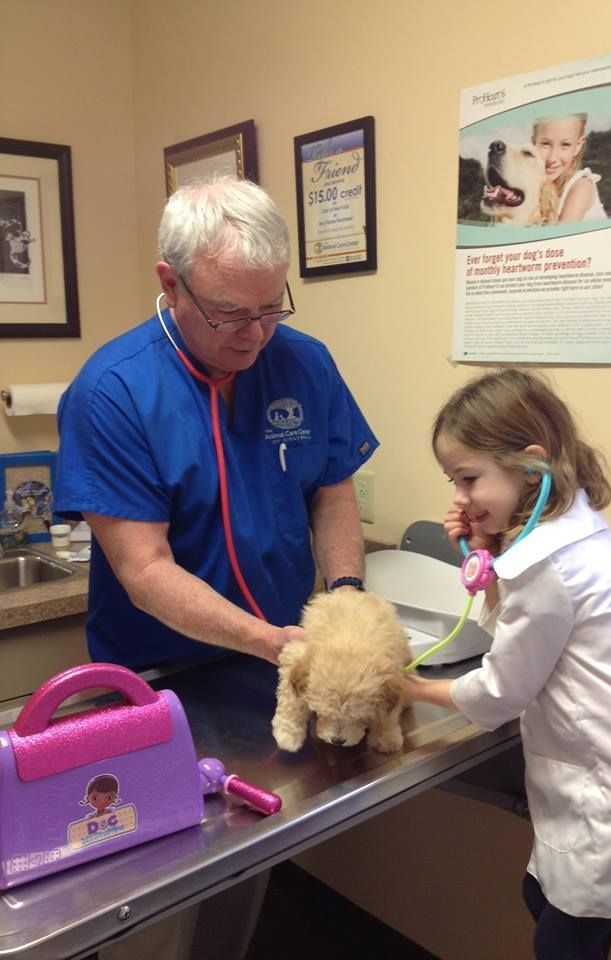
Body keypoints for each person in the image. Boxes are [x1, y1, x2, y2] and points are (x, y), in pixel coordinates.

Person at [54, 176, 378, 960]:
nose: (257, 334)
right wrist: (278, 643)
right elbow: (144, 569)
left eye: (273, 307)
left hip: (268, 671)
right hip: (156, 682)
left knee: (252, 860)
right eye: (233, 313)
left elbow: (333, 493)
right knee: (153, 895)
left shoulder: (305, 363)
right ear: (171, 283)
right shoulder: (113, 391)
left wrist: (346, 602)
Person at [402, 369, 611, 960]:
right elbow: (526, 629)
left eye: (469, 479)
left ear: (531, 465)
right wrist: (480, 555)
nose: (459, 499)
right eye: (453, 481)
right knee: (544, 898)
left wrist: (412, 688)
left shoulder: (544, 562)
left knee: (565, 936)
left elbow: (500, 692)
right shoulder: (572, 529)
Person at [532, 114, 607, 221]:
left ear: (578, 146)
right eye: (545, 144)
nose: (552, 158)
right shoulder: (533, 185)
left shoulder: (581, 187)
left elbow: (561, 236)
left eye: (565, 145)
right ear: (534, 142)